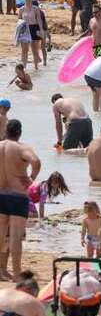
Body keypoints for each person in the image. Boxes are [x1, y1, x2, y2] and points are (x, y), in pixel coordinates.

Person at [0, 120, 40, 280]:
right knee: (16, 236)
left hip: (0, 193)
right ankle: (17, 273)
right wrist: (31, 178)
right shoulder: (22, 148)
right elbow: (36, 161)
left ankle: (0, 270)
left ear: (6, 131)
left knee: (0, 234)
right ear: (19, 132)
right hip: (17, 195)